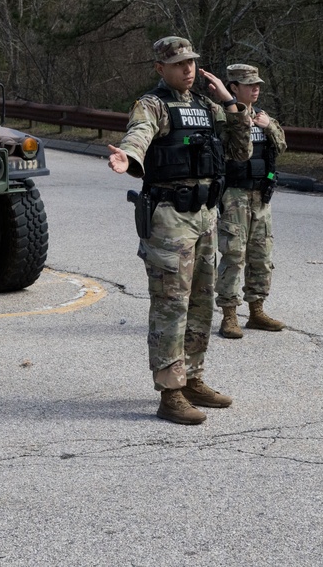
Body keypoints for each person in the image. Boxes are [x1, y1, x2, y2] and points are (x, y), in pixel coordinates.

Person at [107, 36, 251, 425]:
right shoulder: (152, 104)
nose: (187, 69)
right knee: (172, 305)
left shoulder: (206, 106)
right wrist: (129, 156)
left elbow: (241, 152)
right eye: (178, 64)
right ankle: (170, 392)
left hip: (205, 215)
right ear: (160, 68)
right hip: (170, 218)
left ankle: (193, 379)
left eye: (191, 62)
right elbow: (139, 135)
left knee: (201, 302)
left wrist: (230, 102)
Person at [215, 63, 288, 338]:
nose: (256, 89)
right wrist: (243, 119)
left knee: (261, 255)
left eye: (258, 85)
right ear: (233, 88)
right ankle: (229, 315)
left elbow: (281, 146)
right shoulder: (223, 118)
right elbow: (235, 151)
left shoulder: (263, 116)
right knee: (234, 254)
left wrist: (269, 127)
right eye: (249, 85)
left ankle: (256, 310)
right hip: (234, 193)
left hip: (261, 194)